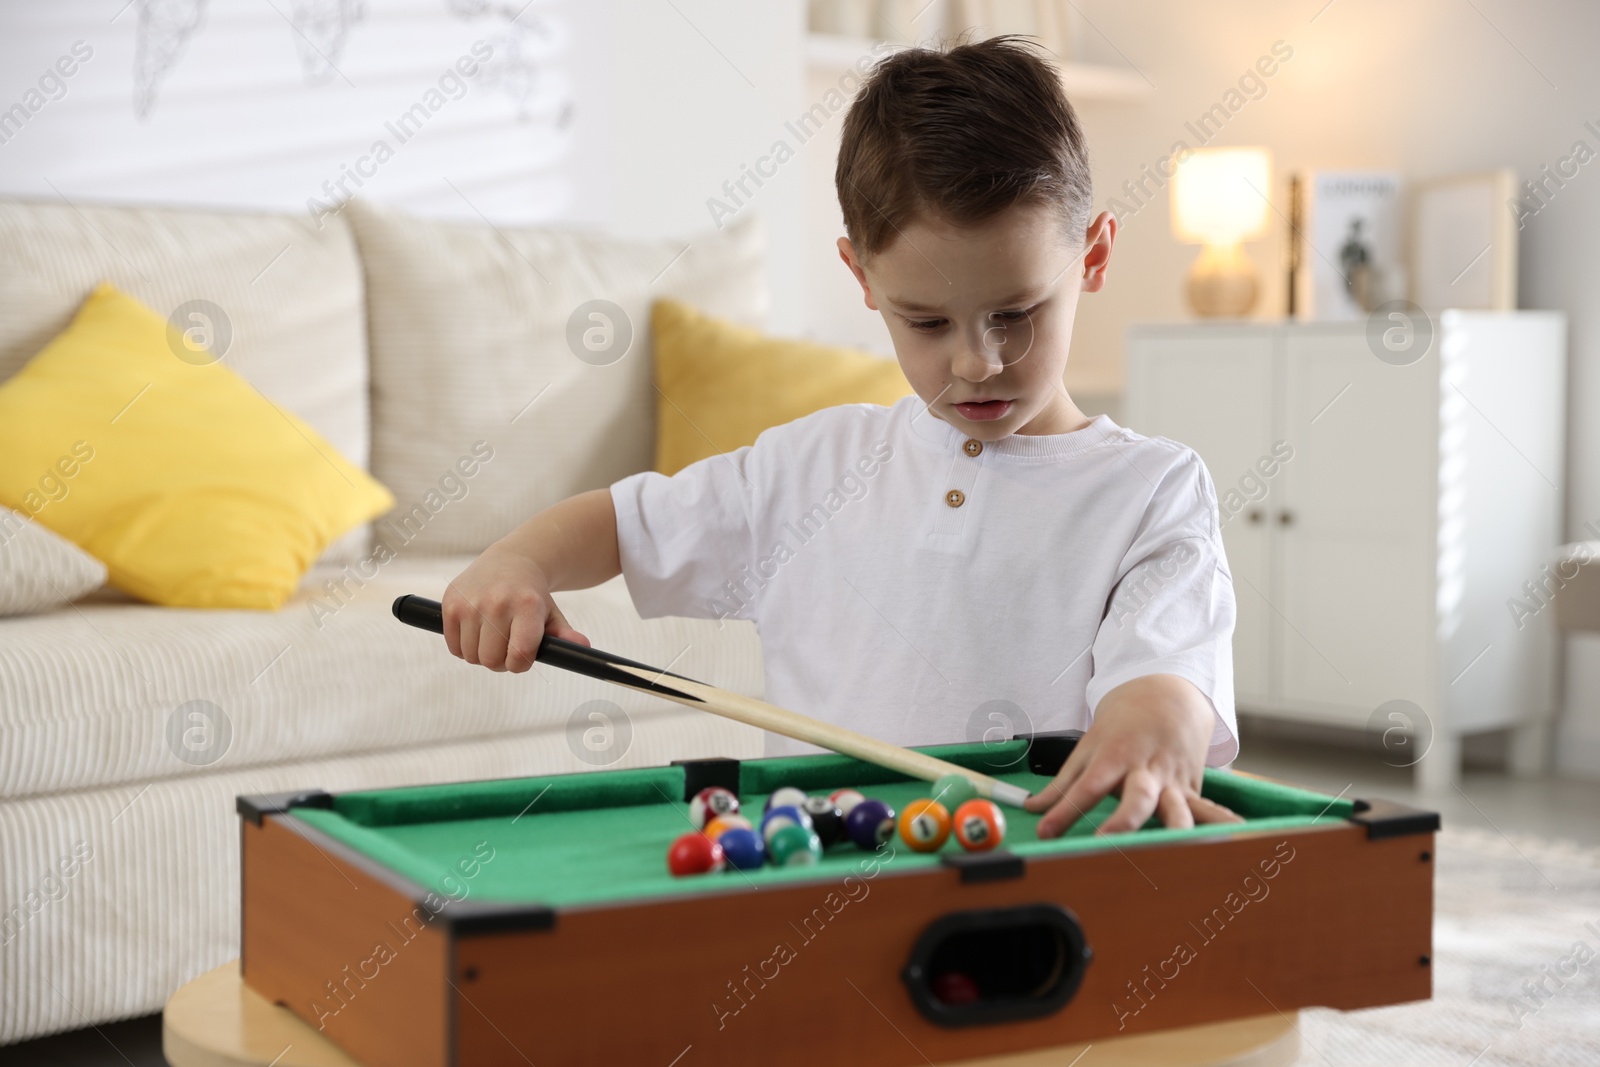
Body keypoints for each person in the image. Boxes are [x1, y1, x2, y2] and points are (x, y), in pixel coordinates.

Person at [441, 36, 1242, 838]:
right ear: (862, 278)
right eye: (928, 322)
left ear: (1093, 256)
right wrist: (520, 560)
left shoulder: (1152, 491)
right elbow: (623, 524)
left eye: (1016, 313)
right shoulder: (811, 466)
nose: (976, 360)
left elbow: (1164, 679)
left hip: (1029, 876)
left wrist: (1155, 721)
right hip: (813, 869)